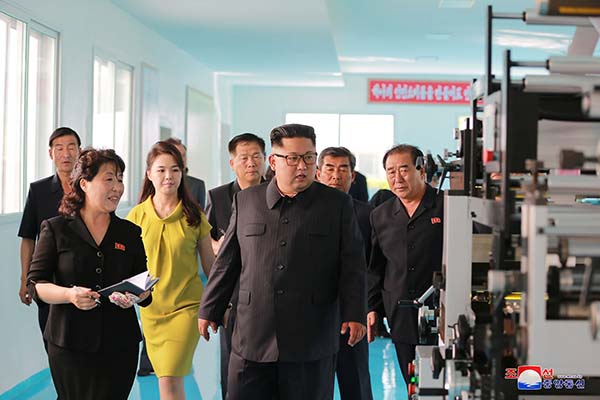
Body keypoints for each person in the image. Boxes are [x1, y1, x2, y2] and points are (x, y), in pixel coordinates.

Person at [198, 123, 367, 400]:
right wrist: (210, 307)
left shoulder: (336, 204)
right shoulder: (247, 201)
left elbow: (352, 265)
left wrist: (354, 313)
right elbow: (227, 261)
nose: (302, 166)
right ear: (274, 162)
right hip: (253, 332)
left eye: (309, 157)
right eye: (293, 158)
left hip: (311, 335)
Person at [27, 148, 151, 400]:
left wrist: (138, 295)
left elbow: (144, 287)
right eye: (109, 179)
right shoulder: (56, 229)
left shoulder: (130, 233)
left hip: (120, 344)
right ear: (84, 184)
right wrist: (70, 295)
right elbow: (36, 285)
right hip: (69, 343)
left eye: (120, 179)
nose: (117, 187)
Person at [127, 141, 215, 400]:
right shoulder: (136, 216)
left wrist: (219, 304)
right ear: (149, 174)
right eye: (161, 170)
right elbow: (126, 265)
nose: (169, 176)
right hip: (151, 312)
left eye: (175, 170)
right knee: (168, 380)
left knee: (169, 377)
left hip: (186, 309)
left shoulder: (195, 216)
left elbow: (211, 267)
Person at [366, 144, 443, 388]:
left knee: (441, 383)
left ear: (422, 170)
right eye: (391, 171)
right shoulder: (380, 215)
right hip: (400, 314)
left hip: (442, 312)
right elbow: (376, 267)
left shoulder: (446, 205)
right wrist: (372, 308)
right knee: (413, 383)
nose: (397, 178)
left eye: (404, 169)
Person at [205, 132, 266, 399]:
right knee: (232, 364)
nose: (251, 163)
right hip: (232, 294)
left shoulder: (278, 191)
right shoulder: (218, 197)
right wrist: (215, 246)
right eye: (244, 158)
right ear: (232, 163)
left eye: (256, 156)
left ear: (266, 159)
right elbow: (205, 238)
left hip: (266, 289)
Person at [316, 146, 373, 400]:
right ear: (318, 173)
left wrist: (365, 309)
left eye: (343, 169)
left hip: (352, 313)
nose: (335, 175)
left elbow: (372, 267)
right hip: (314, 316)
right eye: (329, 168)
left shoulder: (367, 215)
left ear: (353, 175)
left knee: (356, 383)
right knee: (314, 385)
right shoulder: (304, 212)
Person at [18, 127, 81, 350]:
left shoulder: (89, 188)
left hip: (82, 275)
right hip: (47, 278)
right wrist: (25, 278)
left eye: (71, 147)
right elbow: (28, 237)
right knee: (52, 340)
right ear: (50, 153)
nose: (66, 154)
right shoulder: (39, 190)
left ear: (79, 151)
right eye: (59, 148)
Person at [165, 137, 207, 208]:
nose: (182, 159)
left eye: (184, 155)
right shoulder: (158, 183)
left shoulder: (197, 185)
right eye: (178, 155)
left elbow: (201, 212)